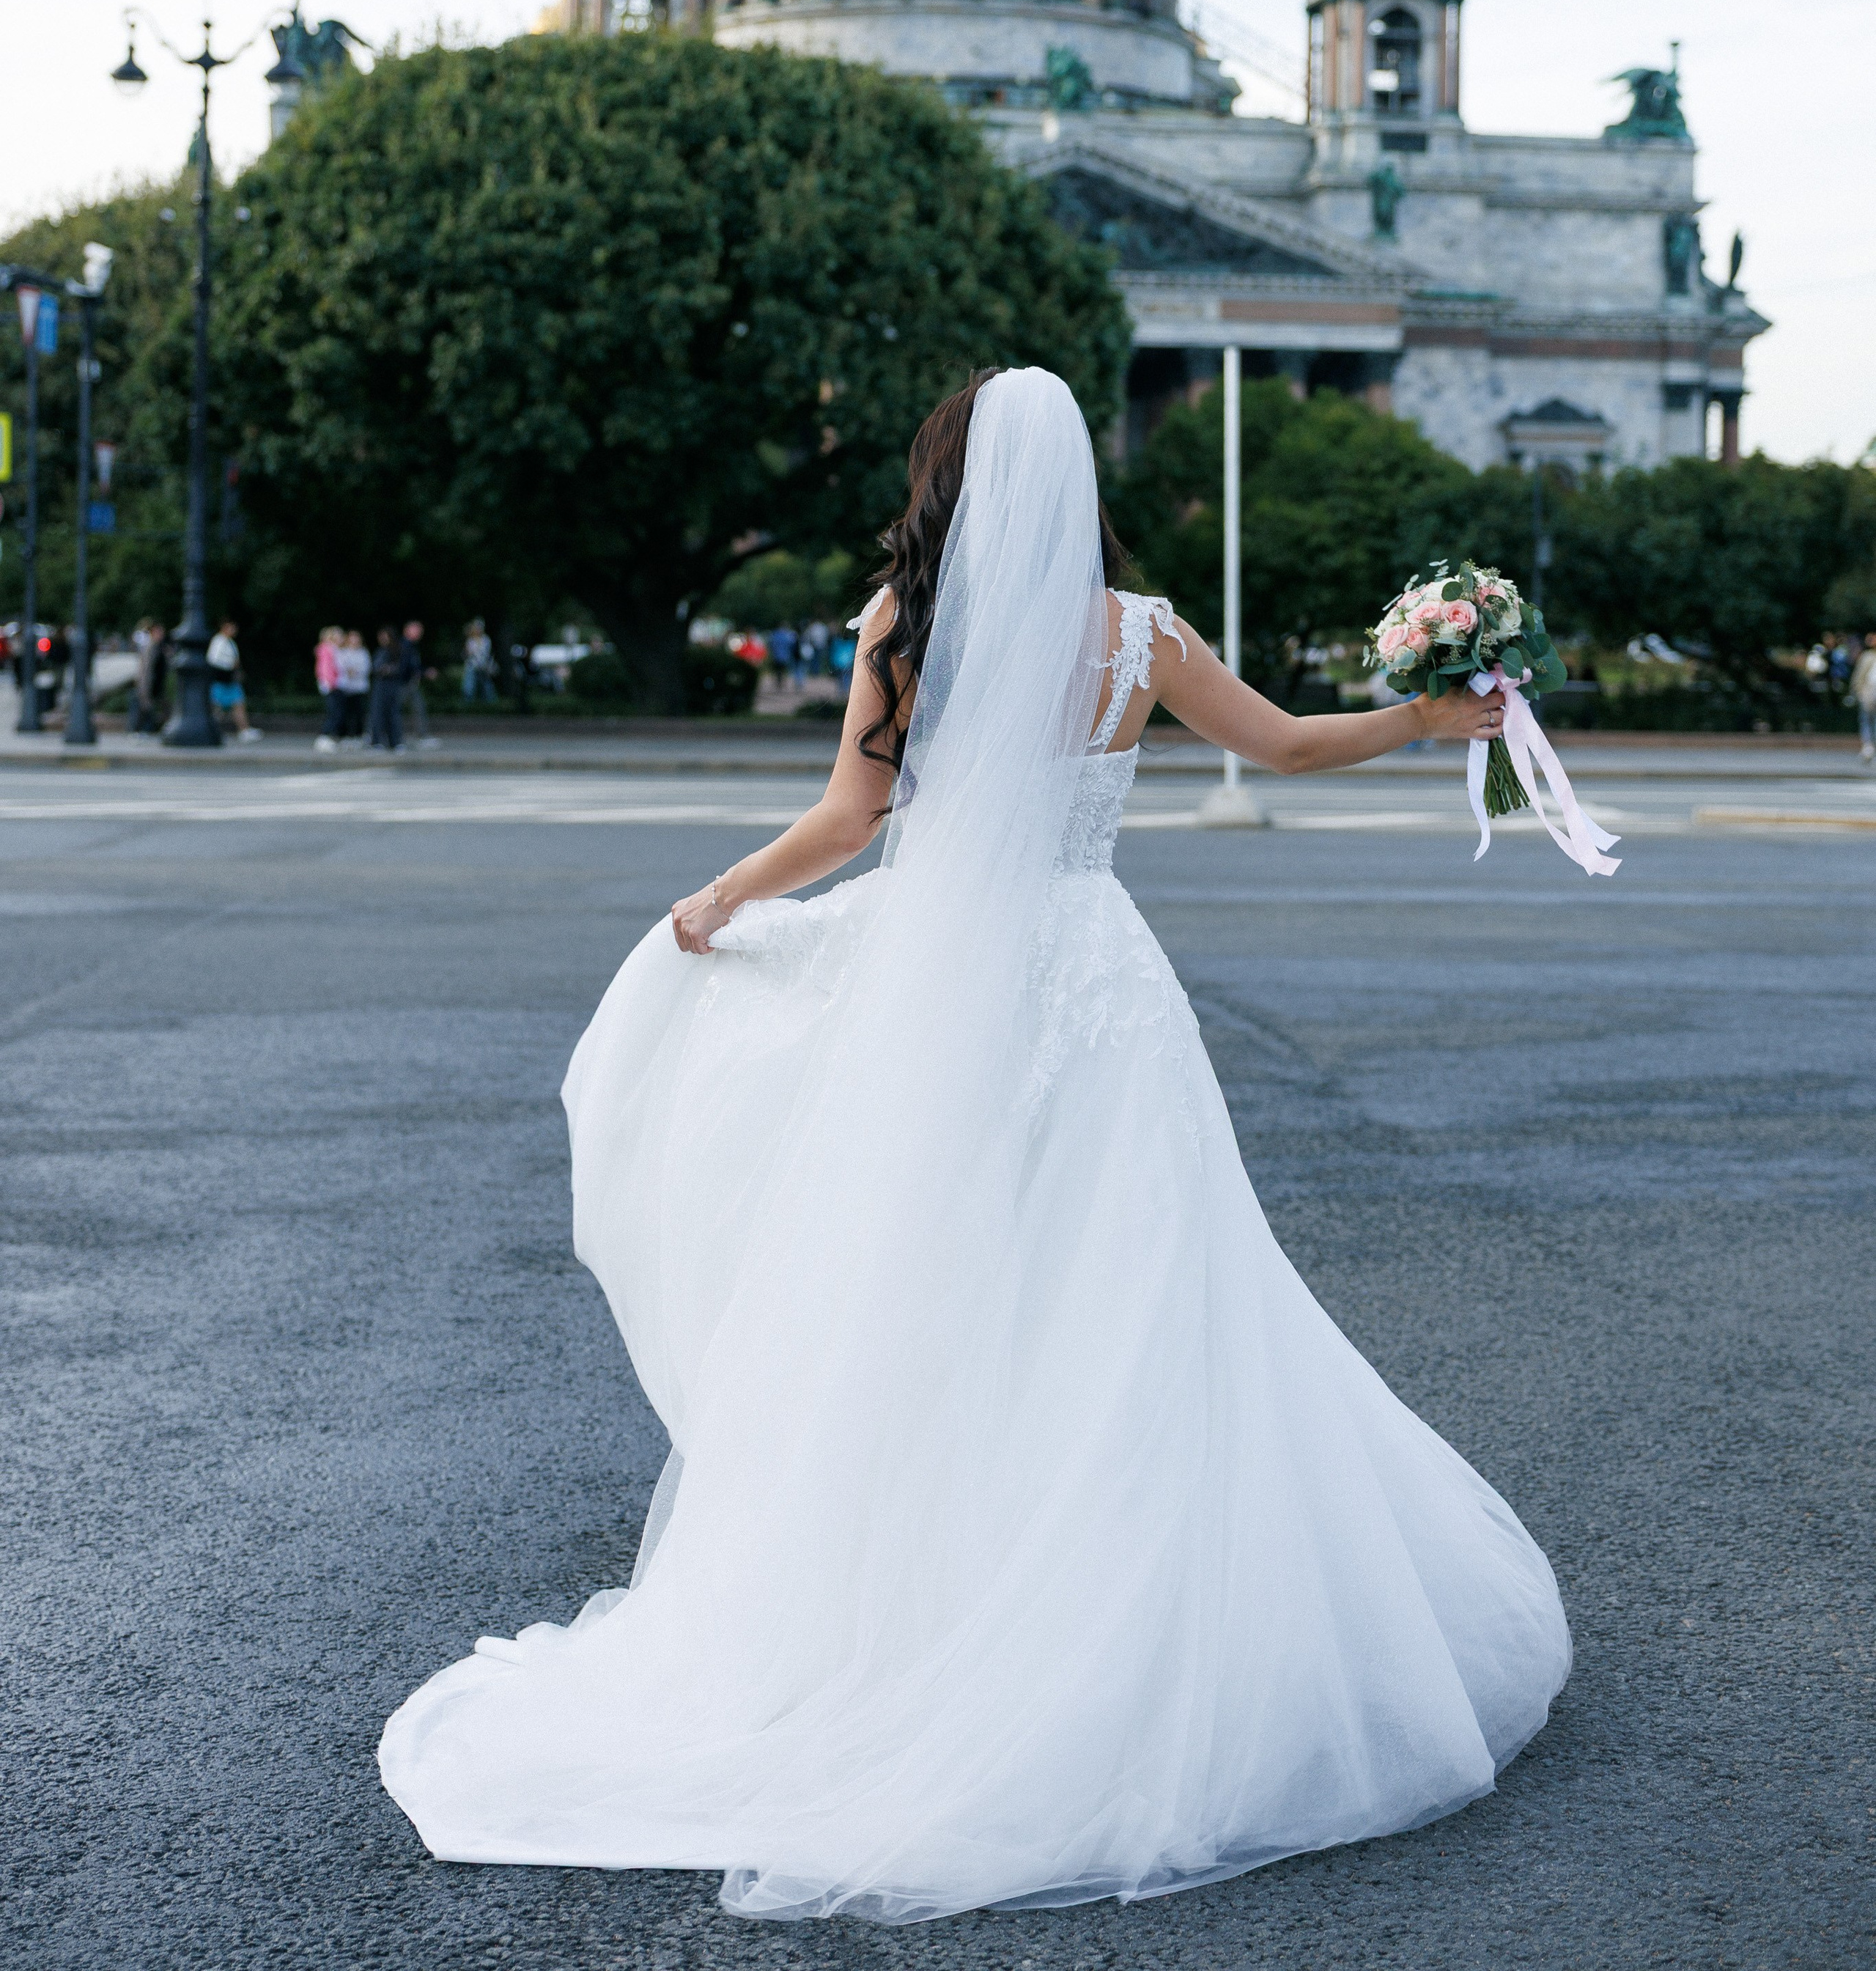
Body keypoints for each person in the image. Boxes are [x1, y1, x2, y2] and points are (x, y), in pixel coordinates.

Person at [380, 368, 1567, 1918]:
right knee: (1136, 1301)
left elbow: (845, 826)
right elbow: (1280, 750)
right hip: (1094, 993)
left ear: (946, 476)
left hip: (935, 991)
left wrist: (723, 896)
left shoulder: (901, 623)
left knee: (923, 1302)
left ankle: (915, 1618)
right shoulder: (1136, 634)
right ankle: (1124, 1626)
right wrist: (1430, 713)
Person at [206, 619, 260, 743]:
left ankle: (244, 730)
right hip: (222, 681)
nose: (234, 630)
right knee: (216, 708)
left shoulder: (229, 642)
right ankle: (213, 730)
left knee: (238, 704)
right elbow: (213, 659)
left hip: (229, 681)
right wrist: (231, 664)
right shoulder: (219, 641)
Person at [399, 620, 440, 748]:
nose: (419, 633)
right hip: (403, 684)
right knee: (393, 708)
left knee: (419, 707)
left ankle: (422, 736)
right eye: (416, 630)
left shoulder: (411, 646)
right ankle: (377, 733)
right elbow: (408, 666)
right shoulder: (404, 645)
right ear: (407, 630)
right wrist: (425, 672)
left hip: (410, 684)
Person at [366, 627, 404, 752]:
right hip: (381, 686)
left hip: (391, 686)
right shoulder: (380, 651)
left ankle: (395, 741)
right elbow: (375, 668)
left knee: (393, 714)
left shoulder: (397, 651)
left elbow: (402, 668)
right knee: (378, 714)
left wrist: (390, 670)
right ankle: (377, 741)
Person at [131, 619, 169, 735]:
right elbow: (146, 670)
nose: (161, 635)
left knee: (154, 709)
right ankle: (140, 731)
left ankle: (146, 730)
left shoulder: (159, 647)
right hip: (150, 685)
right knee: (146, 709)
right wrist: (144, 687)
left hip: (157, 684)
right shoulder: (151, 647)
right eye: (159, 632)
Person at [313, 627, 344, 752]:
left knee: (336, 712)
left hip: (335, 684)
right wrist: (328, 682)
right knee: (333, 712)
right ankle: (324, 737)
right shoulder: (327, 649)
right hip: (331, 685)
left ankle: (328, 737)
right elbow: (324, 668)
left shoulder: (334, 649)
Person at [337, 630, 371, 740]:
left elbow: (366, 668)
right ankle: (347, 735)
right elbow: (340, 667)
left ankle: (359, 734)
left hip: (360, 688)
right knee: (347, 713)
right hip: (347, 688)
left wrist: (355, 671)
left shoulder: (363, 652)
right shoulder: (343, 652)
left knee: (360, 713)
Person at [1852, 630, 1876, 765]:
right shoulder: (1867, 656)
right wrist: (1858, 691)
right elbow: (1859, 676)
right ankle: (1868, 746)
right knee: (1867, 719)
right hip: (1868, 694)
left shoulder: (1867, 657)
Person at [462, 619, 496, 706]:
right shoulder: (471, 641)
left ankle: (490, 703)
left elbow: (486, 653)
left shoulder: (486, 640)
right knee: (469, 685)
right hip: (472, 665)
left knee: (486, 685)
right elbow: (466, 654)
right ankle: (468, 704)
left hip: (483, 666)